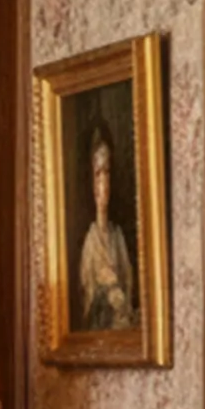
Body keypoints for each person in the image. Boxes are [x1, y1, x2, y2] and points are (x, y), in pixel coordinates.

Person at [75, 125, 136, 330]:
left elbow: (129, 290)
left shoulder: (118, 237)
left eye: (107, 172)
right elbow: (86, 305)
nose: (104, 184)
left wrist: (122, 301)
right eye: (98, 174)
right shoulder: (90, 243)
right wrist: (106, 293)